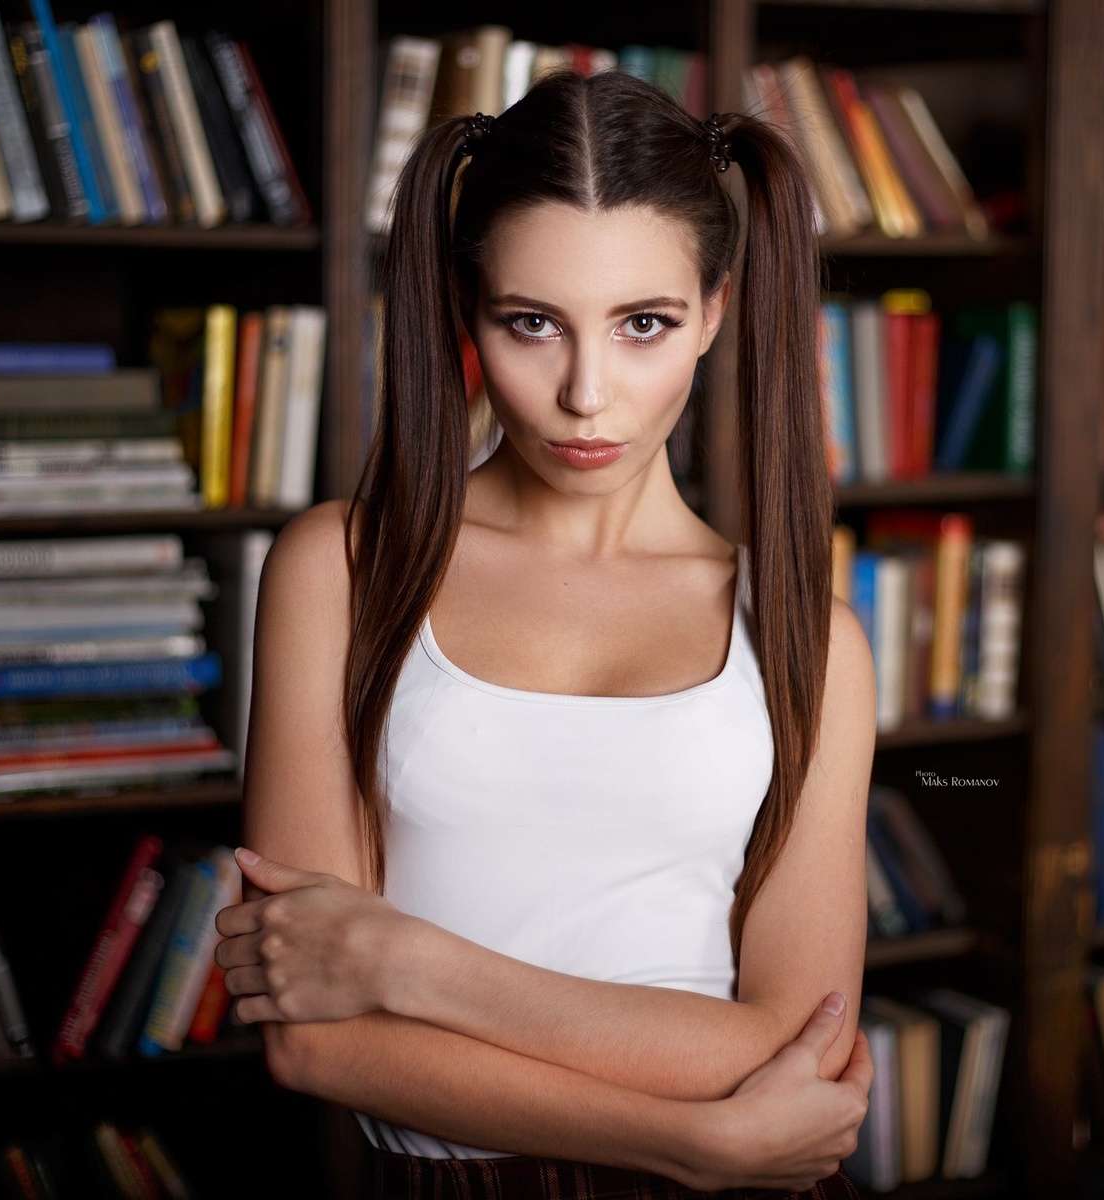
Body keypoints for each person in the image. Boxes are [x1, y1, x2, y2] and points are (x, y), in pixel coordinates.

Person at [212, 68, 878, 1198]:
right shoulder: (345, 567)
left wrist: (408, 961)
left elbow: (790, 1045)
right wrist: (687, 1141)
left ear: (714, 311)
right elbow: (315, 1035)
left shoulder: (810, 637)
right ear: (470, 311)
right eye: (533, 323)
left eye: (643, 325)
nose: (586, 394)